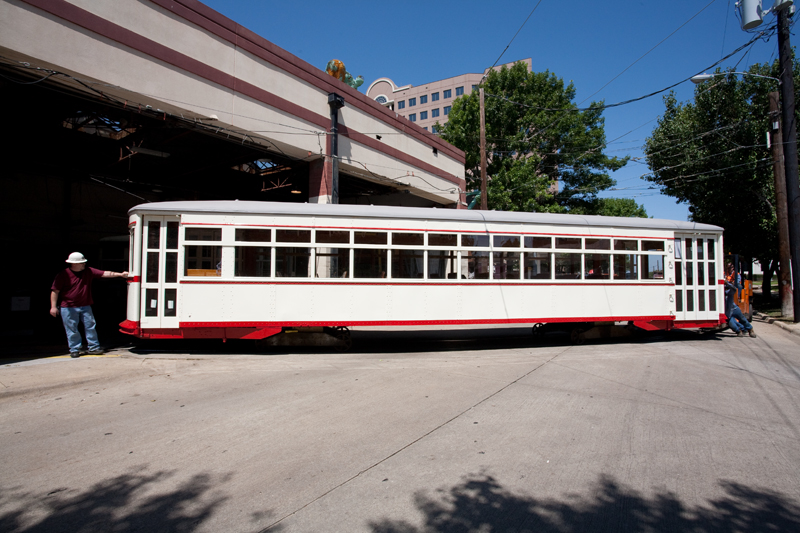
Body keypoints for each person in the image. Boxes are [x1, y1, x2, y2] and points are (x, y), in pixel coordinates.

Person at [50, 252, 129, 357]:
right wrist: (53, 307)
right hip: (68, 308)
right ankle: (74, 349)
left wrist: (120, 274)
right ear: (74, 263)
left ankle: (93, 347)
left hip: (85, 306)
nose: (83, 264)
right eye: (81, 263)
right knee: (72, 329)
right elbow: (55, 291)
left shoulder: (88, 271)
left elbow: (104, 273)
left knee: (90, 327)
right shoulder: (63, 275)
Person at [723, 261, 756, 338]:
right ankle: (739, 331)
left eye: (730, 267)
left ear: (733, 267)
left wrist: (727, 284)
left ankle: (750, 329)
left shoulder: (730, 292)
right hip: (727, 312)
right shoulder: (725, 274)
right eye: (727, 267)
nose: (728, 268)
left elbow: (734, 288)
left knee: (742, 319)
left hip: (734, 308)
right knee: (732, 324)